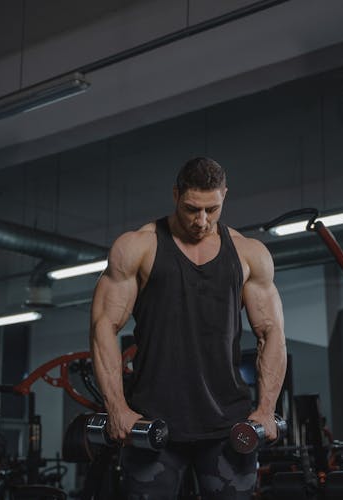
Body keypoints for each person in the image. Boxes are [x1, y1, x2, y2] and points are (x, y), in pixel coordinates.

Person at [90, 157, 286, 499]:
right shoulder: (139, 247)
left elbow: (271, 332)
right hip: (152, 424)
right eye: (192, 208)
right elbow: (103, 325)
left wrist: (266, 408)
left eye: (212, 209)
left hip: (226, 425)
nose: (202, 220)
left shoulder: (249, 254)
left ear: (225, 195)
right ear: (176, 194)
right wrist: (117, 408)